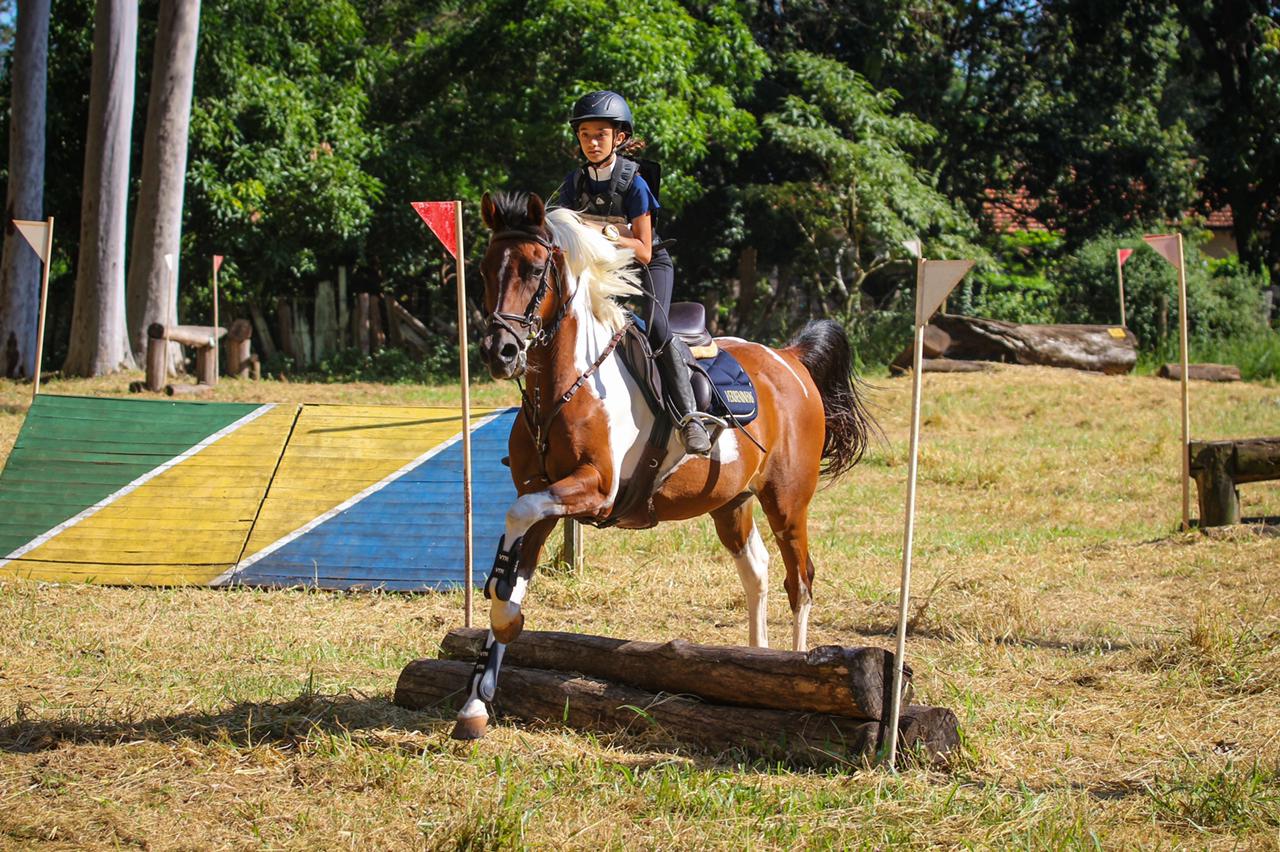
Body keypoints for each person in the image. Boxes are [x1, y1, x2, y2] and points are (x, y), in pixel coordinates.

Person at [558, 90, 712, 455]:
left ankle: (690, 419)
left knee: (657, 328)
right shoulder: (573, 184)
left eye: (601, 134)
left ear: (619, 138)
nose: (592, 142)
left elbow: (642, 249)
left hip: (647, 265)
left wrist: (603, 232)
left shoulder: (634, 183)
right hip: (602, 267)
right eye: (585, 135)